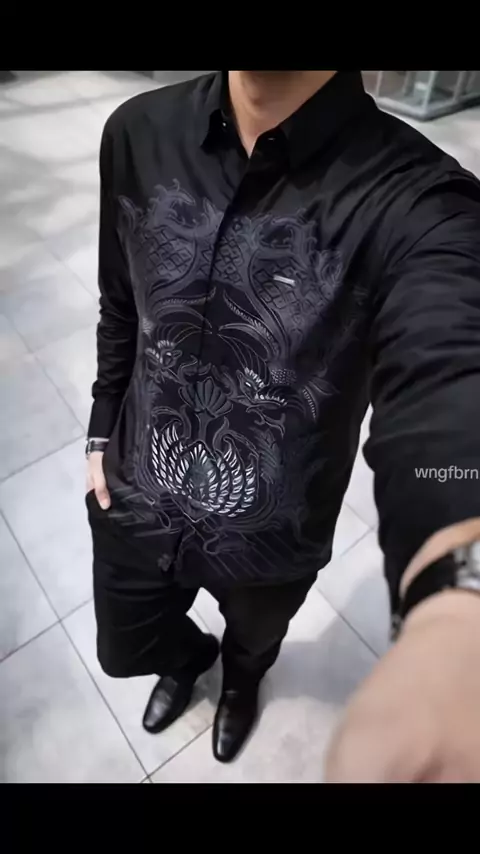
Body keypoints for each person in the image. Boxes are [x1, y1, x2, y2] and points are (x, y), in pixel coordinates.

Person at [86, 70, 480, 778]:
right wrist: (98, 427)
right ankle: (187, 658)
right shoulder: (137, 132)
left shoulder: (420, 203)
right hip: (138, 487)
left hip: (272, 534)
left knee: (254, 642)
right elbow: (120, 302)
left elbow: (452, 389)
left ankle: (241, 682)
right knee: (123, 647)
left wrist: (459, 604)